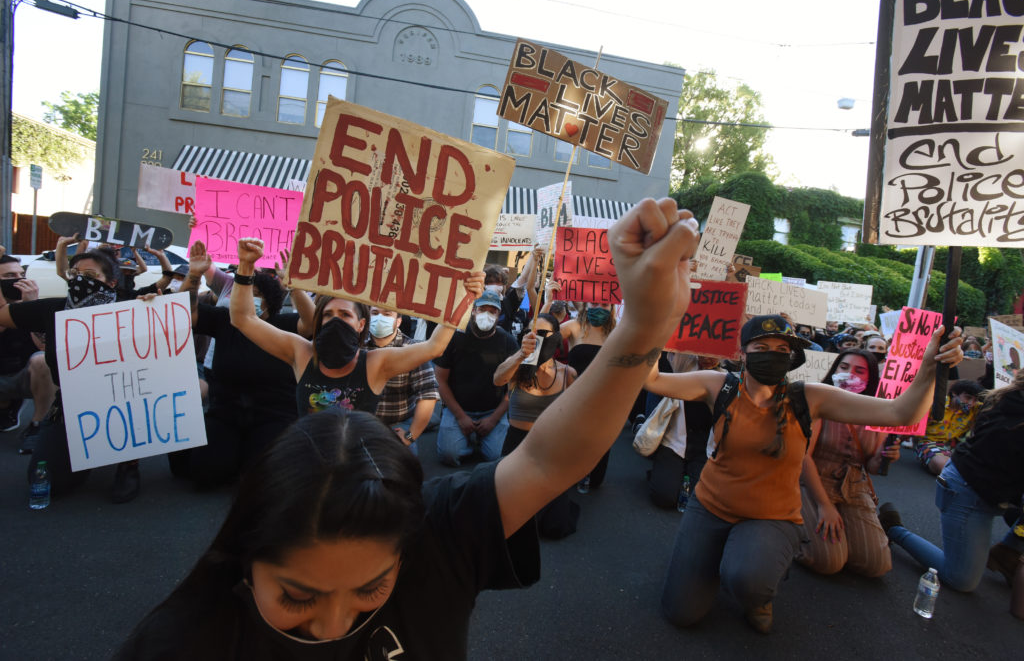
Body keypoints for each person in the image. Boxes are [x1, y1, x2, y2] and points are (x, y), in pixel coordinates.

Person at [113, 196, 702, 659]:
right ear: (244, 557)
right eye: (295, 596)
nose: (334, 626)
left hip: (378, 463)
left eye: (373, 589)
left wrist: (646, 324)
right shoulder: (181, 641)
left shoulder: (382, 376)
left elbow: (550, 460)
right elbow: (241, 316)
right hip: (296, 470)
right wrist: (243, 270)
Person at [647, 314, 963, 633]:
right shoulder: (718, 385)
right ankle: (715, 561)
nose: (772, 354)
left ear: (792, 357)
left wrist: (931, 366)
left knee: (747, 578)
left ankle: (759, 592)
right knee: (681, 614)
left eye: (782, 349)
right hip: (710, 508)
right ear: (743, 353)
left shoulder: (809, 397)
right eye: (762, 346)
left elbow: (900, 411)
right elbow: (654, 381)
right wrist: (646, 326)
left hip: (772, 517)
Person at [227, 238, 483, 421]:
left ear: (361, 325)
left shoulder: (375, 363)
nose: (335, 321)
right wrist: (246, 266)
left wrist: (465, 298)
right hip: (309, 458)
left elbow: (434, 347)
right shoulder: (302, 353)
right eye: (328, 315)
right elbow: (244, 319)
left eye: (344, 314)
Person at [0, 247, 147, 502]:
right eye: (75, 273)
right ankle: (82, 452)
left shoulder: (129, 309)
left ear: (111, 282)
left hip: (121, 402)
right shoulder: (52, 310)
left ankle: (128, 464)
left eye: (90, 274)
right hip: (71, 406)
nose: (80, 279)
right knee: (47, 481)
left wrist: (153, 307)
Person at [170, 243, 301, 489]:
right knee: (205, 471)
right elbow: (185, 314)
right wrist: (195, 274)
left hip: (273, 415)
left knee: (263, 479)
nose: (247, 297)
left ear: (270, 302)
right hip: (227, 412)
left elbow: (312, 324)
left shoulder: (285, 324)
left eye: (256, 293)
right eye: (244, 289)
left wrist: (295, 288)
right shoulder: (223, 321)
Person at [882, 369, 1024, 593]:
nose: (969, 402)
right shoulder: (1011, 410)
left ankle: (1008, 550)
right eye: (965, 397)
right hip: (967, 491)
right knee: (961, 580)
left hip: (988, 489)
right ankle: (893, 528)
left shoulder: (1001, 402)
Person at [798, 349, 898, 578]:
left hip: (854, 486)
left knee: (876, 564)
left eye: (858, 371)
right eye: (843, 367)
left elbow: (871, 467)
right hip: (812, 482)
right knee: (829, 562)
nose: (848, 374)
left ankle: (888, 530)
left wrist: (884, 457)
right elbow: (804, 457)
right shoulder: (818, 402)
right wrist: (824, 505)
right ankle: (787, 536)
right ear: (834, 369)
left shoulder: (877, 412)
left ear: (870, 379)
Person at [494, 313, 578, 537]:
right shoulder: (518, 366)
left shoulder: (567, 373)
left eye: (542, 334)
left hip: (549, 449)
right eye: (530, 333)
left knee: (554, 526)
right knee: (508, 522)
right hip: (516, 446)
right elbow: (498, 379)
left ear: (556, 338)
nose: (535, 338)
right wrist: (521, 354)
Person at [434, 290, 518, 466]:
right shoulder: (454, 338)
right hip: (458, 408)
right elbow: (440, 380)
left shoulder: (508, 342)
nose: (486, 315)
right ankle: (470, 439)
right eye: (482, 309)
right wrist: (460, 416)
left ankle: (476, 439)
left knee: (497, 457)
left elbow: (514, 386)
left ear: (499, 315)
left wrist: (494, 419)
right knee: (449, 456)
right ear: (473, 310)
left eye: (492, 311)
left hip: (493, 411)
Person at [363, 307, 440, 454]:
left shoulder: (413, 349)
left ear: (398, 321)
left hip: (398, 424)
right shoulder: (357, 345)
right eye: (374, 313)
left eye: (387, 314)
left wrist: (410, 436)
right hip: (362, 423)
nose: (380, 318)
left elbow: (428, 394)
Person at [646, 354, 717, 509]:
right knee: (664, 498)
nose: (708, 357)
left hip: (705, 448)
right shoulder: (684, 364)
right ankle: (662, 472)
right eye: (703, 353)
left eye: (715, 354)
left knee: (697, 498)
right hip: (675, 442)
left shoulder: (726, 376)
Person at [561, 300, 617, 490]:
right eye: (595, 303)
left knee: (595, 479)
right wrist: (548, 303)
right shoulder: (575, 327)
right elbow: (541, 341)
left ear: (612, 307)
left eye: (605, 304)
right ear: (586, 305)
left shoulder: (618, 332)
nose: (599, 308)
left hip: (604, 404)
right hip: (573, 400)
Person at [0, 251, 54, 451]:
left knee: (43, 360)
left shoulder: (31, 305)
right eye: (8, 276)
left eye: (20, 275)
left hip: (23, 376)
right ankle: (6, 407)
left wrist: (31, 308)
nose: (18, 280)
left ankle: (38, 424)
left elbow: (45, 347)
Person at [913, 380, 983, 475]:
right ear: (954, 393)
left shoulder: (975, 409)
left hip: (956, 447)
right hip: (929, 443)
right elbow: (914, 423)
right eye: (968, 398)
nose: (971, 403)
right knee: (944, 466)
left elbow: (996, 404)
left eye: (975, 400)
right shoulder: (936, 404)